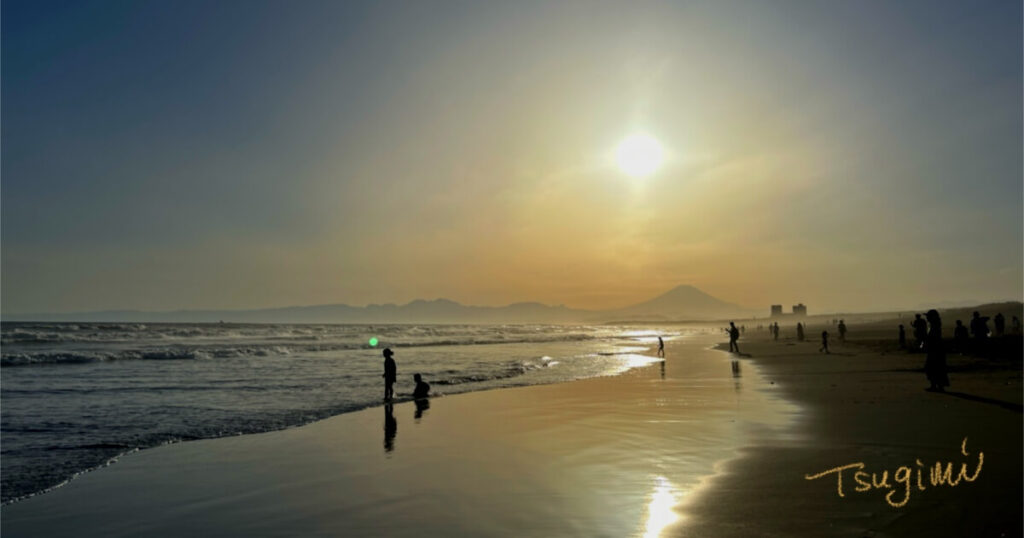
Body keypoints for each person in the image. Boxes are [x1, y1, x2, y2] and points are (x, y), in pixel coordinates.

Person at [923, 309, 949, 392]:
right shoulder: (934, 325)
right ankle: (938, 386)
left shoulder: (934, 326)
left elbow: (932, 338)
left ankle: (935, 386)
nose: (927, 318)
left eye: (928, 316)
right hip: (936, 348)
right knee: (937, 367)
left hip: (935, 349)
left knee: (932, 367)